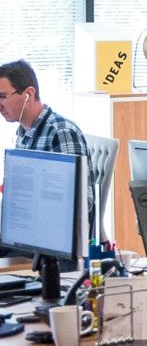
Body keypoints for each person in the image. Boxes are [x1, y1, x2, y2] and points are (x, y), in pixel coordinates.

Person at [0, 59, 94, 241]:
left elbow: (79, 205)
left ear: (29, 93)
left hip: (50, 239)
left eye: (2, 97)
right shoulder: (23, 132)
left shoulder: (61, 132)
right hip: (27, 229)